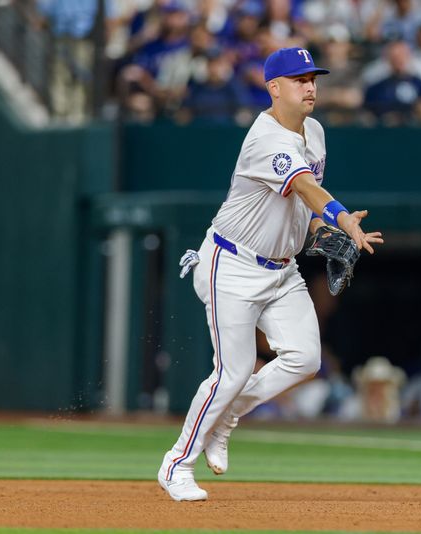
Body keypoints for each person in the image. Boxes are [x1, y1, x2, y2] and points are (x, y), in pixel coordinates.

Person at [157, 46, 384, 501]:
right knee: (233, 370)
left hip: (281, 269)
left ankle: (225, 418)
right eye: (300, 79)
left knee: (305, 358)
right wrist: (343, 220)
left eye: (313, 78)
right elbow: (305, 186)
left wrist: (322, 230)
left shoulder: (314, 132)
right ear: (274, 88)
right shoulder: (265, 139)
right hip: (232, 265)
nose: (310, 86)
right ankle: (177, 464)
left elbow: (303, 205)